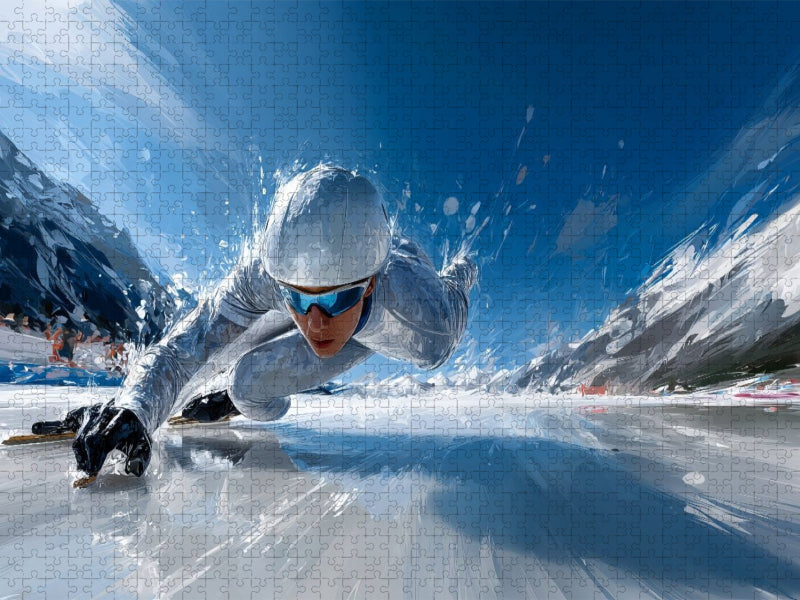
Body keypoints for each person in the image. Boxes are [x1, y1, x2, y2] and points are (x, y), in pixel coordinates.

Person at [35, 165, 478, 478]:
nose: (314, 324)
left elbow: (450, 304)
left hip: (392, 306)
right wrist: (133, 406)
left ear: (365, 286)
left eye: (335, 299)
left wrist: (462, 272)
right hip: (332, 284)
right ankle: (230, 391)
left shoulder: (424, 324)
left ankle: (235, 390)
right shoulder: (264, 274)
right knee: (234, 365)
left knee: (247, 383)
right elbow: (190, 344)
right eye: (296, 298)